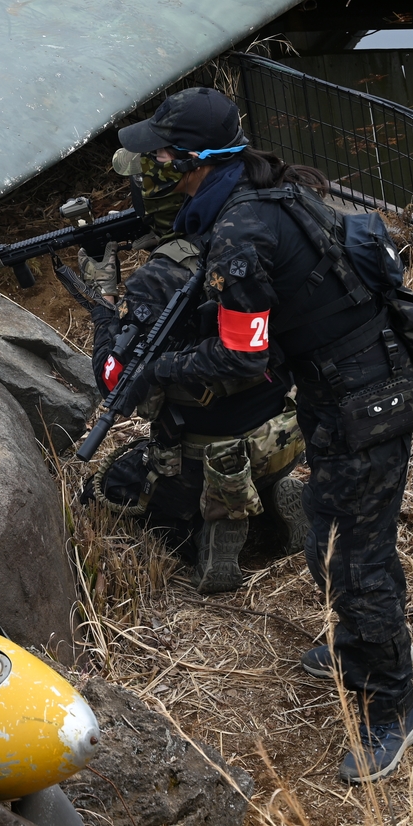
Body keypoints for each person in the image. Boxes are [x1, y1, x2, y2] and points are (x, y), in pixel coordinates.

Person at [119, 86, 413, 783]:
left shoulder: (240, 229)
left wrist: (156, 367)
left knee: (359, 561)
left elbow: (240, 357)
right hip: (338, 390)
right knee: (328, 530)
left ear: (191, 160)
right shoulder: (260, 195)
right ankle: (356, 650)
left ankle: (395, 713)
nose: (155, 167)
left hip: (366, 398)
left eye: (162, 155)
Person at [80, 136, 306, 594]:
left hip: (202, 457)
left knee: (107, 490)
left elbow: (116, 383)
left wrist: (104, 298)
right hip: (283, 430)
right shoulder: (254, 229)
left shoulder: (159, 278)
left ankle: (212, 531)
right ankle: (269, 491)